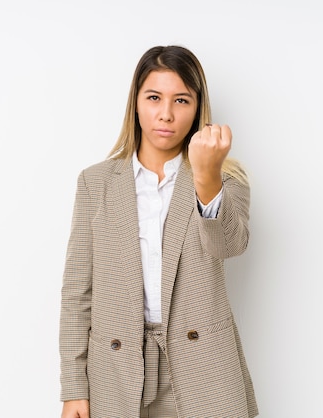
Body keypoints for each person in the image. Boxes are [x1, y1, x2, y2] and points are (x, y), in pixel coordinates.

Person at [59, 45, 258, 417]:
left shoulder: (224, 178)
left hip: (204, 370)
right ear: (136, 103)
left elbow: (228, 245)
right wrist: (74, 387)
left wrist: (206, 176)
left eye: (181, 100)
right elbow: (77, 292)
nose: (166, 114)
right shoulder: (95, 183)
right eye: (154, 97)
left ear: (198, 108)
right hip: (116, 373)